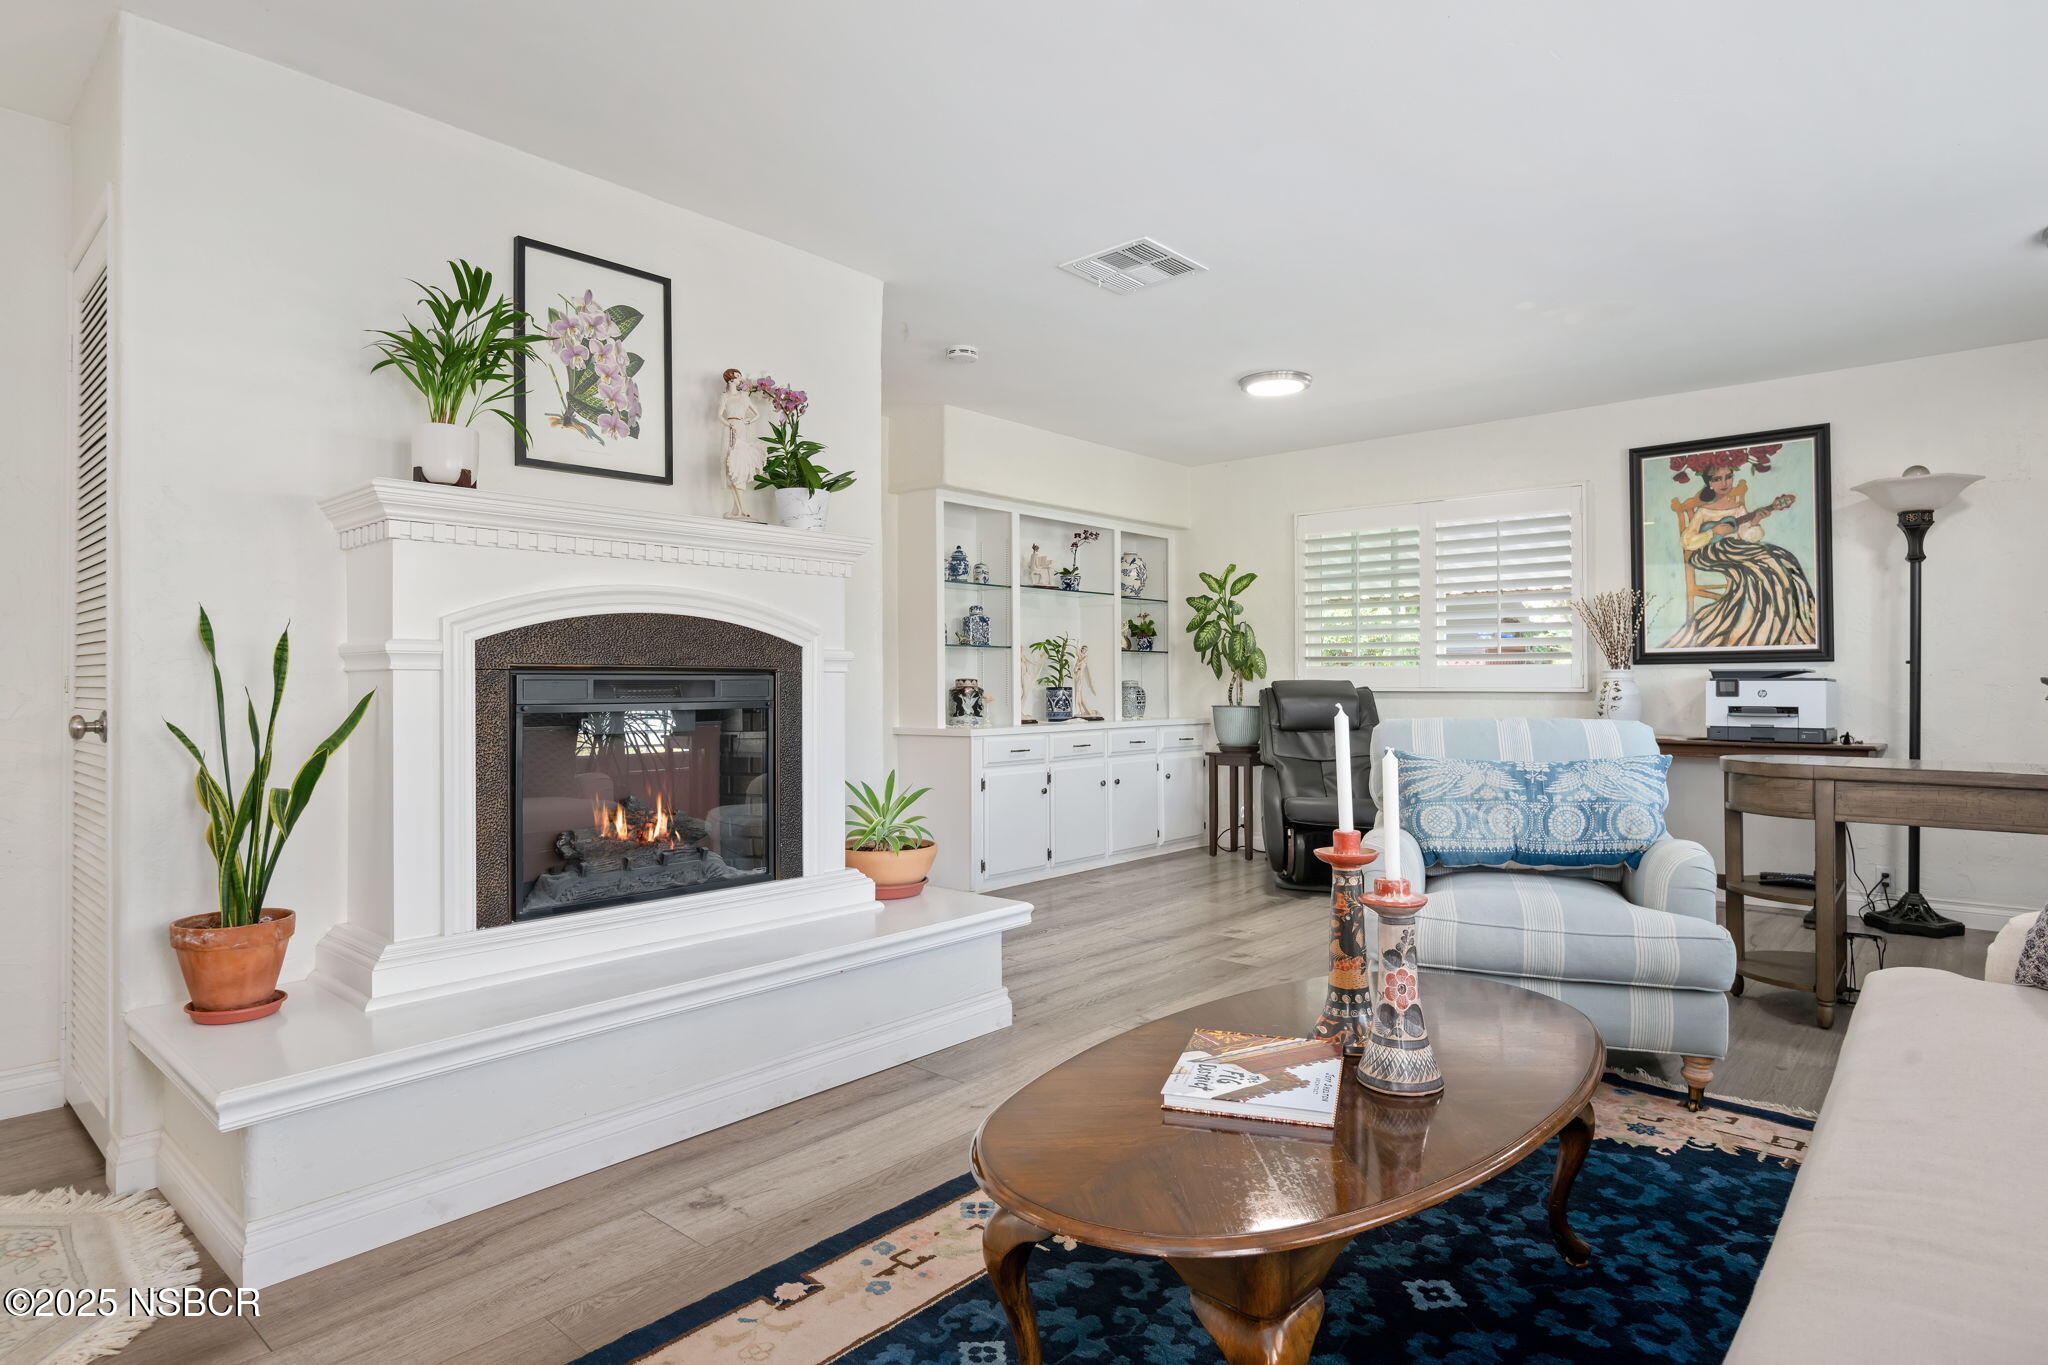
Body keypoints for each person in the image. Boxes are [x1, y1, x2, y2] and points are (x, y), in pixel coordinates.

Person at [1662, 460, 1815, 650]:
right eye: (1718, 479)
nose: (1724, 483)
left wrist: (1754, 522)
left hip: (1737, 548)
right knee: (1761, 564)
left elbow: (1748, 538)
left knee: (1782, 556)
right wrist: (1713, 532)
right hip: (1711, 552)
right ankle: (1755, 622)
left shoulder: (1738, 508)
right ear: (1709, 483)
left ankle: (1781, 620)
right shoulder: (1703, 511)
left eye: (1728, 477)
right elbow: (1687, 541)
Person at [718, 368, 761, 520]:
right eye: (737, 377)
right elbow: (719, 415)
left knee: (739, 465)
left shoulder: (744, 396)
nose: (740, 379)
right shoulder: (724, 397)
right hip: (729, 430)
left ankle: (740, 510)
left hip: (741, 429)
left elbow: (757, 414)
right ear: (730, 379)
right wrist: (729, 425)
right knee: (730, 466)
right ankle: (737, 510)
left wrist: (747, 422)